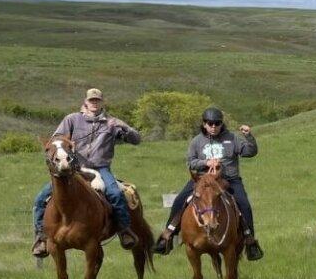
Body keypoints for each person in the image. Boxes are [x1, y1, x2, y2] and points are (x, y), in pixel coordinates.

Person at [32, 88, 140, 257]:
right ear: (86, 102)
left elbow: (136, 140)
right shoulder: (72, 119)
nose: (94, 103)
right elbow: (56, 140)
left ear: (102, 102)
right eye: (92, 100)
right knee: (40, 198)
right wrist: (67, 144)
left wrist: (123, 126)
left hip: (101, 168)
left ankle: (124, 230)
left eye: (97, 100)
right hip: (75, 169)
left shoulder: (111, 123)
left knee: (115, 194)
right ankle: (41, 237)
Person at [152, 107, 263, 261]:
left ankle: (250, 242)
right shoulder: (197, 141)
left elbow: (251, 152)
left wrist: (248, 136)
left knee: (244, 204)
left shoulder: (232, 138)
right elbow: (191, 162)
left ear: (221, 124)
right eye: (210, 123)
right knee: (180, 200)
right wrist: (206, 162)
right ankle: (167, 237)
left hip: (228, 179)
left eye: (217, 123)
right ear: (204, 124)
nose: (213, 126)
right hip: (202, 180)